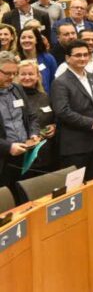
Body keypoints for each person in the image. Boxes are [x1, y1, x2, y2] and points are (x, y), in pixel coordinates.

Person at [51, 40, 93, 180]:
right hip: (75, 146)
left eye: (85, 55)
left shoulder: (92, 77)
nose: (83, 58)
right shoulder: (60, 82)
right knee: (75, 188)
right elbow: (63, 111)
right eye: (78, 55)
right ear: (67, 58)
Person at [0, 51, 41, 193]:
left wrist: (34, 133)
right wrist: (8, 147)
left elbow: (31, 116)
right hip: (3, 159)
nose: (12, 77)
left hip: (24, 156)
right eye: (7, 73)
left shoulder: (17, 89)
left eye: (14, 73)